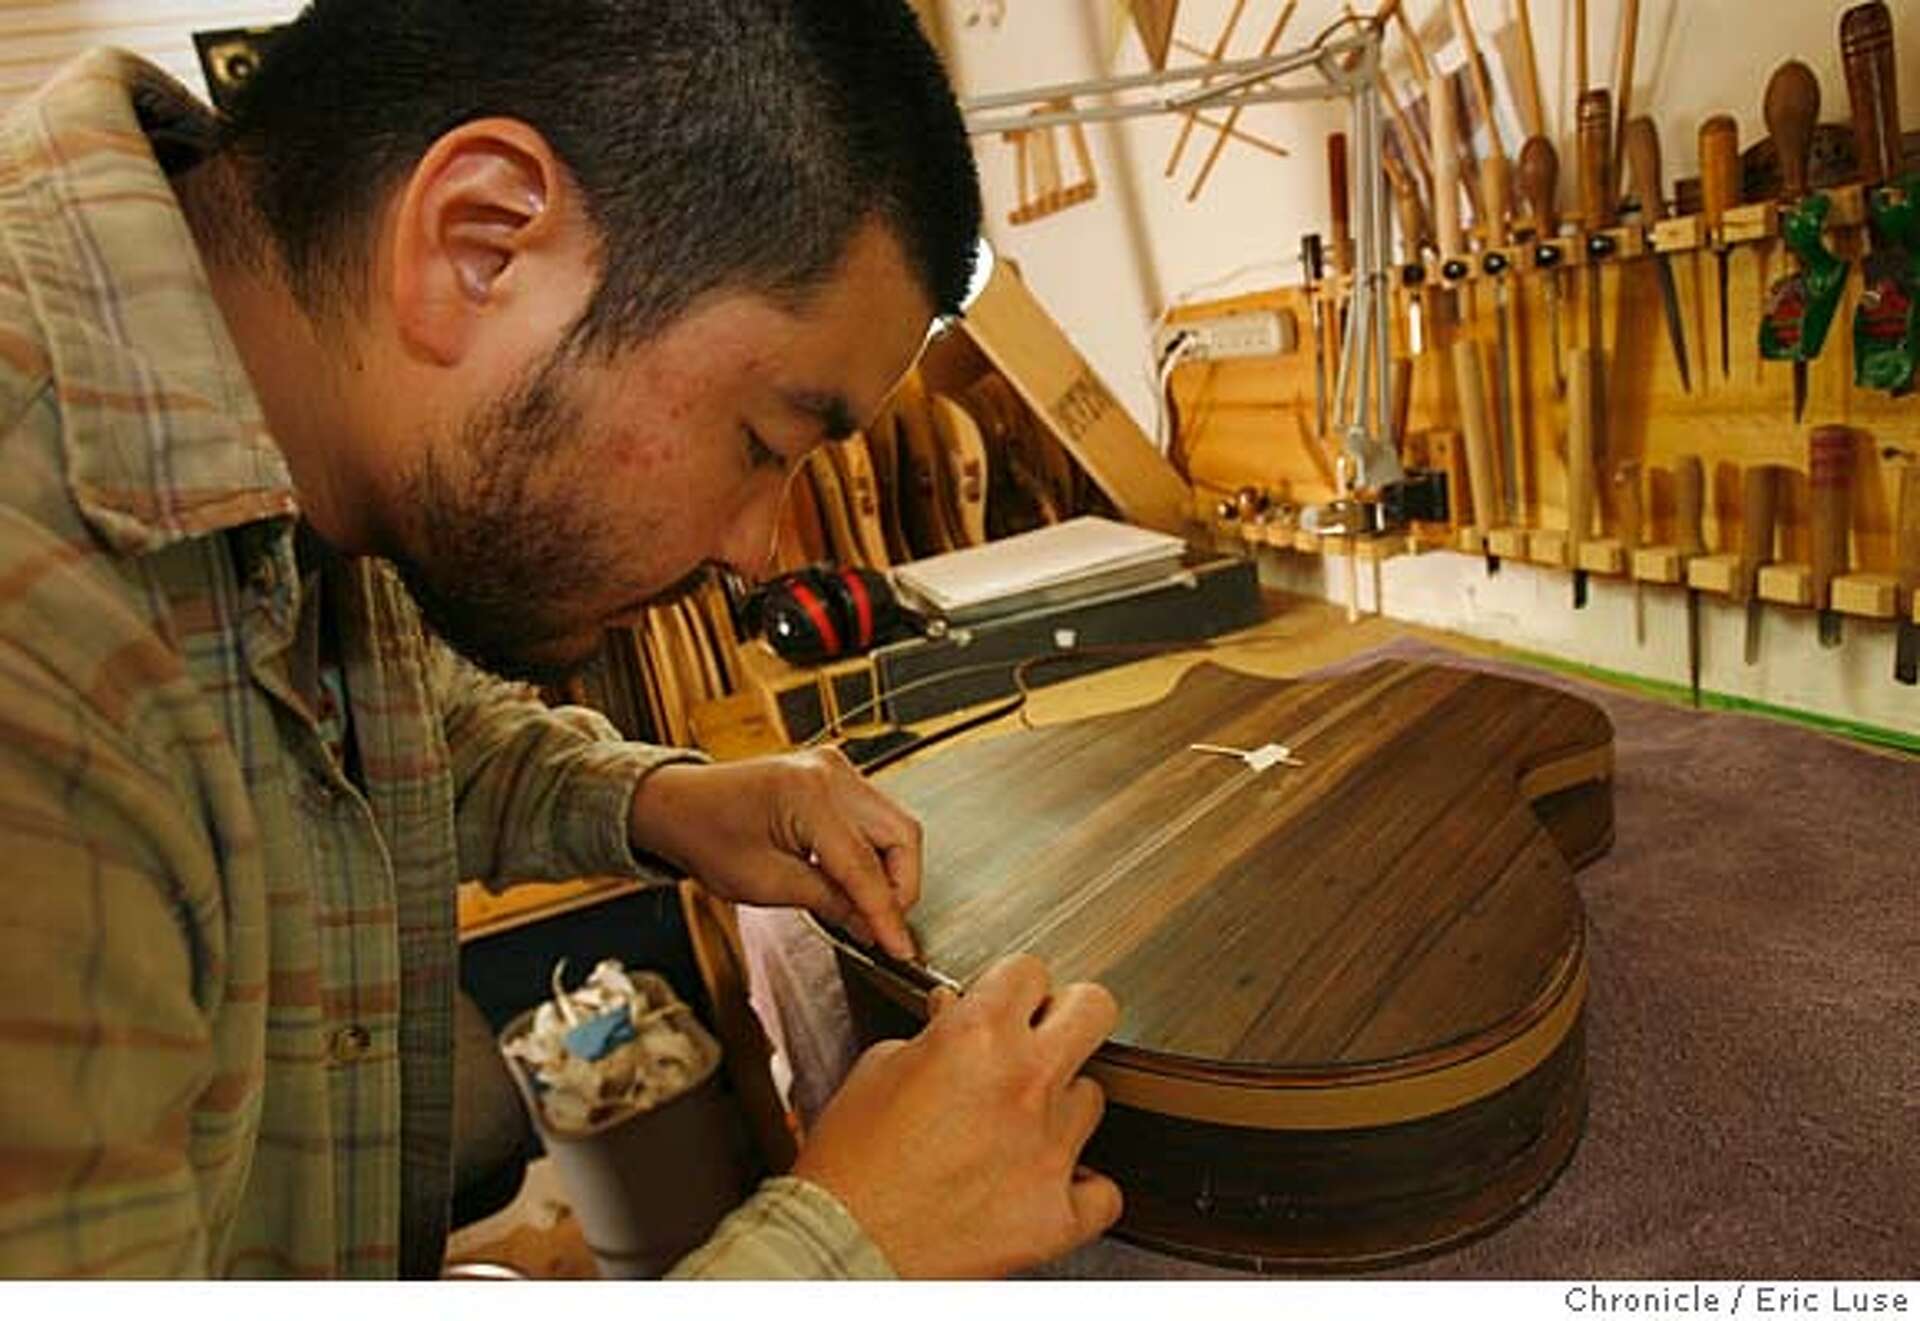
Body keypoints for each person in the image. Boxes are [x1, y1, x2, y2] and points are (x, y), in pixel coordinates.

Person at [0, 0, 1120, 1280]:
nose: (758, 549)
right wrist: (856, 1248)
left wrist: (660, 801)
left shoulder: (291, 417)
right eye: (763, 442)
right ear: (479, 245)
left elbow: (346, 734)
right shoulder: (37, 630)